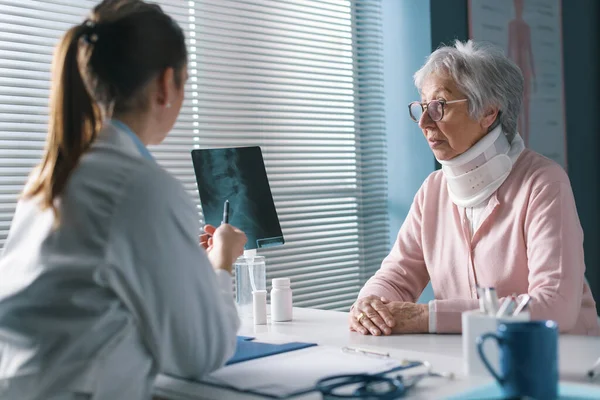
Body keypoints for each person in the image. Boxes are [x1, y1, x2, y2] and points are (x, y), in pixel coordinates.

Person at [0, 1, 246, 399]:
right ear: (166, 85)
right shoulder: (140, 187)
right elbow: (199, 353)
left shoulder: (50, 177)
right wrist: (220, 265)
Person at [349, 40, 600, 336]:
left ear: (489, 112)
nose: (425, 123)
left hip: (564, 363)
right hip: (471, 359)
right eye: (422, 107)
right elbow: (396, 277)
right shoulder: (433, 191)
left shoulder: (543, 183)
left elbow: (554, 306)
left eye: (439, 106)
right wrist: (369, 305)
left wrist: (429, 317)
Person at [507, 0, 536, 146]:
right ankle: (520, 142)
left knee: (527, 108)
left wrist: (534, 74)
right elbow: (508, 49)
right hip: (515, 69)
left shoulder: (526, 27)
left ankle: (527, 141)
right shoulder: (512, 25)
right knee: (517, 110)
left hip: (525, 69)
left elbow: (529, 52)